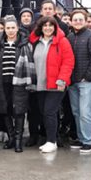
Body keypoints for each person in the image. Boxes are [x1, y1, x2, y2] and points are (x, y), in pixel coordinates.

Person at [26, 16, 74, 153]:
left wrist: (62, 79)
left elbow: (68, 61)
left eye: (50, 25)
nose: (48, 28)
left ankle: (51, 141)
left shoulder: (62, 42)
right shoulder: (35, 42)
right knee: (43, 112)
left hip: (56, 84)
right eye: (45, 25)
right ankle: (49, 138)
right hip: (39, 85)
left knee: (49, 112)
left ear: (55, 27)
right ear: (40, 27)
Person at [0, 16, 33, 153]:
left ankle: (19, 141)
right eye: (8, 28)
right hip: (2, 83)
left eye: (13, 27)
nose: (10, 30)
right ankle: (12, 138)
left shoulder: (25, 44)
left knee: (19, 111)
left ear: (17, 28)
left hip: (19, 82)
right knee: (5, 110)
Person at [67, 9, 91, 152]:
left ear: (86, 20)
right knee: (76, 112)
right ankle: (81, 139)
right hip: (72, 82)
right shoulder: (69, 37)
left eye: (80, 19)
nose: (77, 22)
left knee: (85, 112)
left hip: (86, 81)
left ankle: (88, 141)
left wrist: (87, 76)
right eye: (75, 19)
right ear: (71, 21)